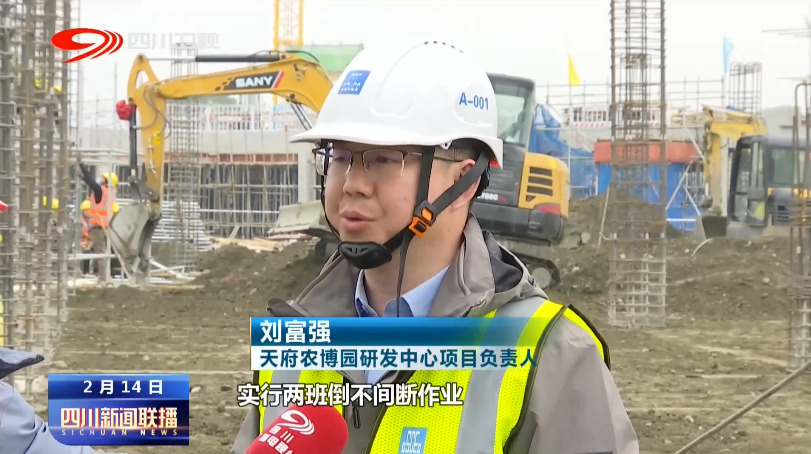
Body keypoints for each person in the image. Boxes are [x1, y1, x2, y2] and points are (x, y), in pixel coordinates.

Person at [230, 39, 639, 454]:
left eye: (384, 159)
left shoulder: (552, 354)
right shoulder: (296, 341)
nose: (352, 184)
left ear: (463, 182)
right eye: (339, 157)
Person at [77, 160, 118, 284]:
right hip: (105, 227)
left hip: (98, 226)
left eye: (102, 179)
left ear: (106, 182)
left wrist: (82, 167)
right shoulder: (109, 194)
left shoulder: (102, 191)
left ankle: (103, 280)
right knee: (103, 253)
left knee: (100, 254)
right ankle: (104, 278)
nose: (100, 180)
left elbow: (91, 183)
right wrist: (83, 176)